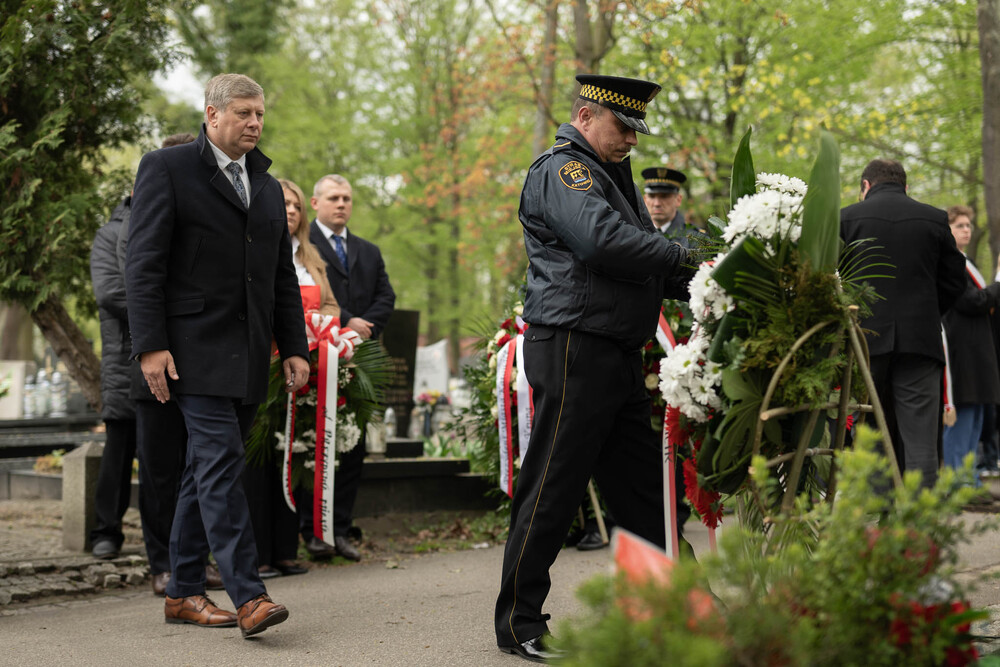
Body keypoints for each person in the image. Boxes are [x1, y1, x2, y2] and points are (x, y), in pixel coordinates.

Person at [494, 74, 694, 663]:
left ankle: (680, 609)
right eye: (623, 126)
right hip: (575, 348)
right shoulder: (565, 170)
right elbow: (602, 243)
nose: (632, 138)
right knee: (553, 487)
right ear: (585, 116)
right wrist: (686, 256)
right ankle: (518, 621)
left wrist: (710, 280)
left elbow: (645, 262)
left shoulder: (612, 176)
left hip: (615, 354)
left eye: (637, 130)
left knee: (644, 494)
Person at [126, 73, 310, 637]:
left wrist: (293, 348)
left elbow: (280, 276)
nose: (255, 124)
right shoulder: (168, 168)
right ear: (212, 114)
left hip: (249, 354)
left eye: (260, 115)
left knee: (203, 471)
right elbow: (144, 262)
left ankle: (182, 592)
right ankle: (248, 595)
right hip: (190, 351)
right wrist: (151, 345)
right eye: (244, 114)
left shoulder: (265, 180)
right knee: (222, 462)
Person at [116, 132, 222, 596]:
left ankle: (191, 564)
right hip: (154, 363)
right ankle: (162, 564)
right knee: (160, 471)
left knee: (198, 468)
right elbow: (133, 285)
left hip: (200, 361)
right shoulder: (132, 224)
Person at [840, 159, 966, 489]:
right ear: (906, 187)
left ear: (865, 186)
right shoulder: (934, 218)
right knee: (921, 441)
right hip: (920, 342)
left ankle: (878, 522)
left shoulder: (846, 219)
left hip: (865, 342)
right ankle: (918, 530)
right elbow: (955, 282)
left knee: (870, 434)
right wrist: (926, 312)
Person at [242, 178, 339, 579]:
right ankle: (258, 555)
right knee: (260, 462)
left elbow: (332, 305)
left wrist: (318, 327)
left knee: (294, 458)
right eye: (284, 204)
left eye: (297, 206)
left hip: (304, 368)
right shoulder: (254, 247)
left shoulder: (312, 258)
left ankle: (285, 550)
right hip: (263, 366)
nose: (291, 211)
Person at [304, 174, 395, 562]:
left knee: (353, 445)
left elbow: (386, 297)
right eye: (334, 198)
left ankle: (340, 528)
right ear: (315, 203)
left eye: (347, 198)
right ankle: (311, 531)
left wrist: (361, 326)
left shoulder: (368, 251)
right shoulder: (301, 245)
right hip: (317, 357)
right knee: (313, 443)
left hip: (359, 360)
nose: (342, 204)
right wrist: (344, 321)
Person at [88, 196, 136, 560]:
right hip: (126, 358)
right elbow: (109, 292)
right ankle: (106, 531)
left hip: (177, 356)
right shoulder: (110, 234)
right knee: (119, 449)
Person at [941, 205, 1000, 481]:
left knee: (976, 417)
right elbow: (970, 301)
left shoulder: (967, 262)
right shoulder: (949, 263)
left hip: (977, 350)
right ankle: (956, 481)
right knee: (962, 419)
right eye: (960, 226)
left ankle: (969, 479)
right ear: (948, 231)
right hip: (961, 350)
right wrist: (998, 284)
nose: (967, 230)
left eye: (968, 225)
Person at [641, 166, 693, 247]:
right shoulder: (635, 235)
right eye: (652, 196)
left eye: (664, 196)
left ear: (678, 200)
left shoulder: (697, 240)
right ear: (644, 200)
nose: (657, 203)